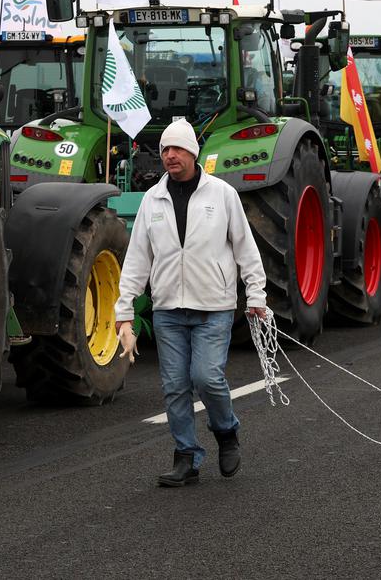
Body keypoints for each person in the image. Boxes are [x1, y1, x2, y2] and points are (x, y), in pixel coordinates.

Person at [114, 118, 268, 487]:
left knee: (207, 378)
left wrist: (256, 294)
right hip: (168, 310)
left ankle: (226, 431)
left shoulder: (222, 195)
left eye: (178, 149)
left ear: (193, 153)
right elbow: (136, 260)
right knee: (174, 387)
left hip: (213, 308)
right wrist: (124, 315)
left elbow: (246, 249)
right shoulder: (153, 199)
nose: (170, 155)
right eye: (166, 149)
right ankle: (187, 457)